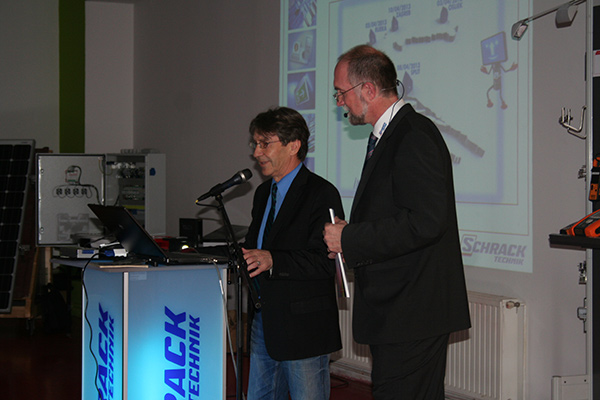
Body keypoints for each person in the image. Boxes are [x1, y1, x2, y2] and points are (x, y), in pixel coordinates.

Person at [323, 44, 471, 399]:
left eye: (341, 93)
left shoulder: (413, 134)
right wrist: (349, 235)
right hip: (400, 310)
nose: (340, 102)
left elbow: (426, 221)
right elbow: (397, 213)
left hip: (412, 312)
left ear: (368, 89)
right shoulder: (391, 134)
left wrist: (350, 238)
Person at [242, 106, 344, 400]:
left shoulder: (321, 193)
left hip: (304, 327)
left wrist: (274, 260)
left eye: (265, 144)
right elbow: (256, 247)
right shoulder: (263, 193)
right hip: (264, 319)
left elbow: (325, 262)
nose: (257, 153)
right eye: (255, 144)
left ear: (293, 145)